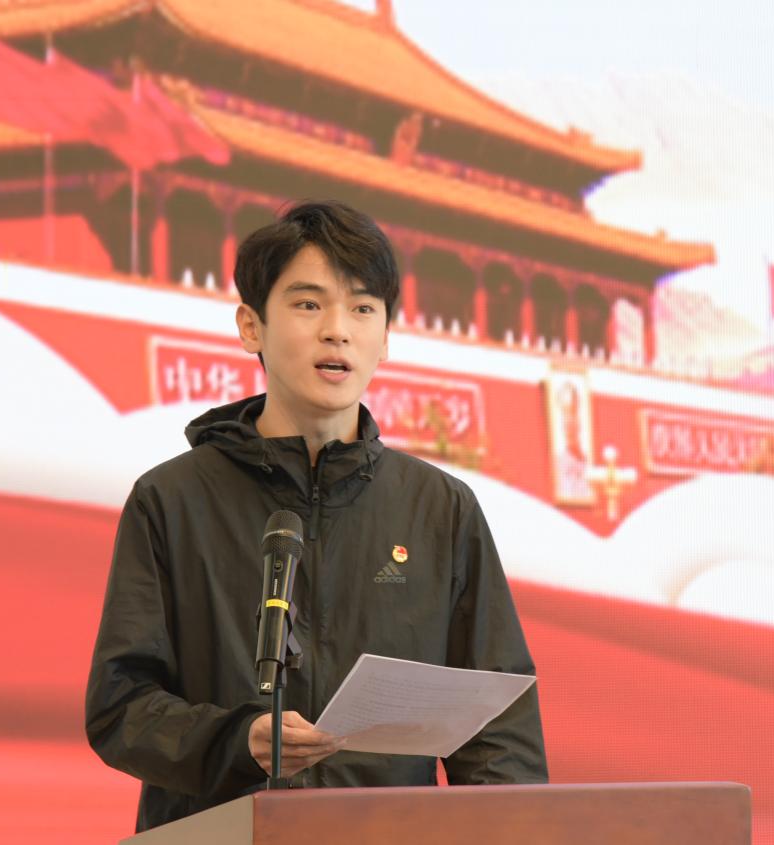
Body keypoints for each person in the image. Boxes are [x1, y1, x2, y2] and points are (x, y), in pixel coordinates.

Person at [85, 200, 547, 832]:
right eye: (308, 304)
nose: (338, 330)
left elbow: (498, 728)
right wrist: (236, 740)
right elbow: (121, 708)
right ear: (251, 326)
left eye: (363, 309)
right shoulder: (172, 499)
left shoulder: (439, 508)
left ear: (386, 338)